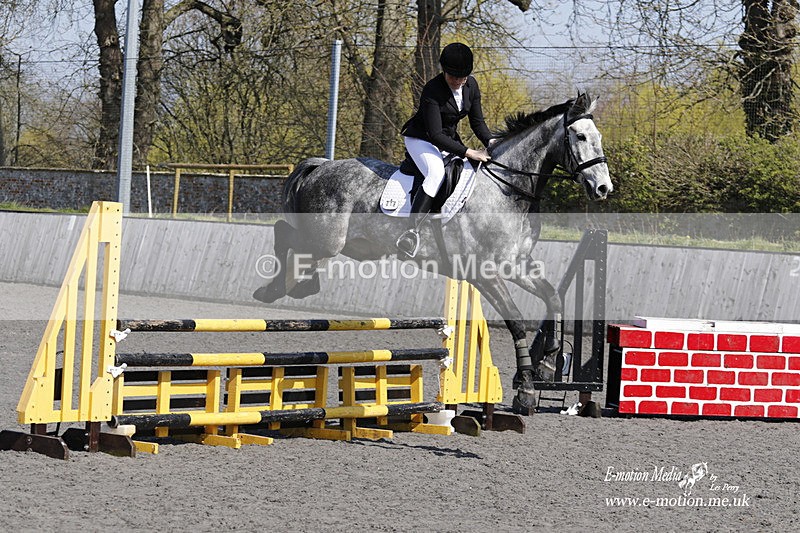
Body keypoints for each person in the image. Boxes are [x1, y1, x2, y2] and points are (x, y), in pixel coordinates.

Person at [396, 42, 493, 258]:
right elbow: (435, 135)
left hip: (447, 139)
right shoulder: (432, 90)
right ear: (444, 71)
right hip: (421, 139)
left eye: (462, 77)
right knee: (436, 173)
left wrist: (493, 143)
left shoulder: (472, 86)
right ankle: (410, 233)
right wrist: (469, 152)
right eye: (453, 77)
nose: (458, 82)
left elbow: (478, 123)